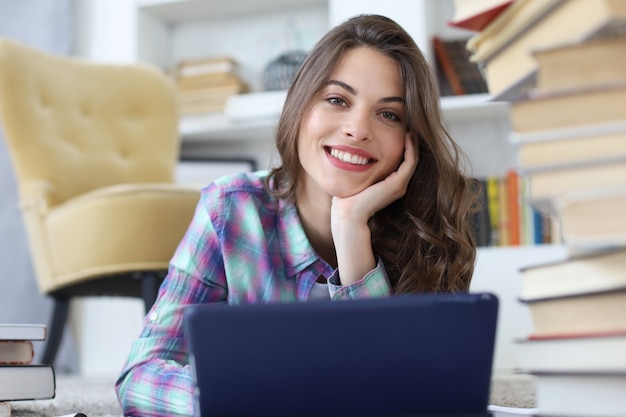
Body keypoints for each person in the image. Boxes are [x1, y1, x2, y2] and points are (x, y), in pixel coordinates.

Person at [116, 13, 478, 417]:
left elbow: (402, 394)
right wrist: (248, 397)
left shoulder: (432, 229)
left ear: (410, 142)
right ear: (301, 106)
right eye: (337, 100)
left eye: (389, 114)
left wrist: (351, 230)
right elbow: (139, 377)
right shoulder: (231, 210)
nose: (357, 129)